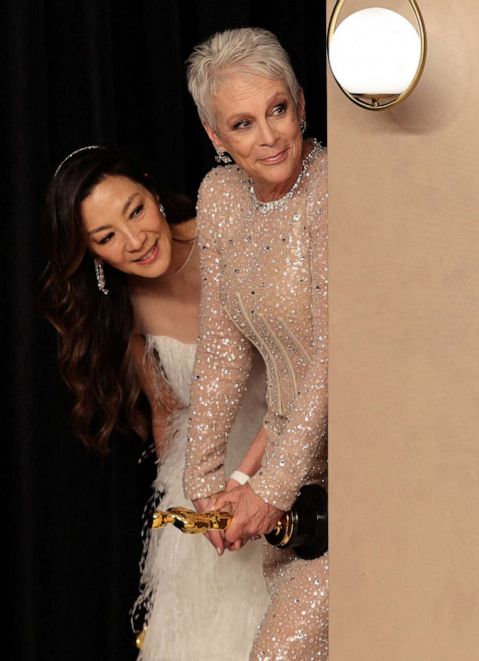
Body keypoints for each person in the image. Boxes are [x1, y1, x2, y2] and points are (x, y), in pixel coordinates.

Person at [40, 146, 270, 660]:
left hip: (285, 449)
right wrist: (183, 509)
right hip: (204, 480)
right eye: (106, 238)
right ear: (92, 253)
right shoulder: (124, 310)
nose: (135, 240)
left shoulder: (229, 234)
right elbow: (168, 413)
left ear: (151, 189)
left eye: (135, 211)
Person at [183, 27, 328, 659]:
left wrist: (270, 490)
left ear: (300, 101)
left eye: (277, 110)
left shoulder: (334, 191)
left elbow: (336, 356)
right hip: (293, 466)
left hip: (369, 465)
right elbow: (222, 345)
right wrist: (206, 476)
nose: (268, 137)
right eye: (242, 124)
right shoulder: (219, 198)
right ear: (216, 138)